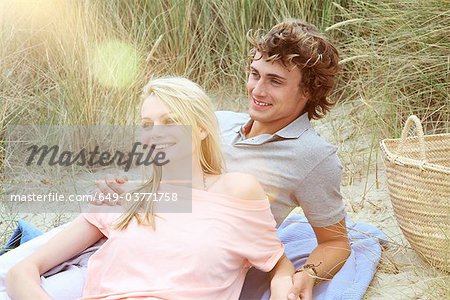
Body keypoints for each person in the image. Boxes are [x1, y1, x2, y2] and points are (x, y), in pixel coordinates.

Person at [5, 77, 297, 299]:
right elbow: (23, 270)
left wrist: (283, 283)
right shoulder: (121, 197)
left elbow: (277, 262)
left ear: (202, 128)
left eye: (170, 122)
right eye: (147, 124)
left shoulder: (236, 190)